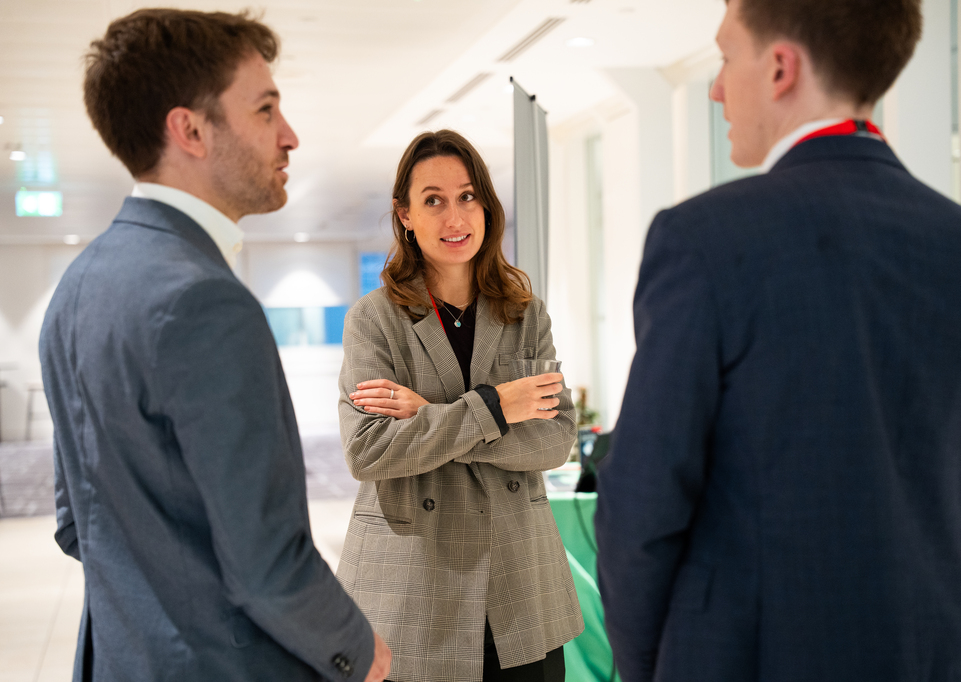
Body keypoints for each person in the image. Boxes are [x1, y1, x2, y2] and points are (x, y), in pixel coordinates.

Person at [594, 0, 961, 680]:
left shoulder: (704, 241)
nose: (715, 88)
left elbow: (641, 511)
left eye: (726, 57)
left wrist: (655, 667)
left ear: (780, 68)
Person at [39, 9, 389, 682]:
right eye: (265, 110)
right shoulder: (204, 300)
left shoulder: (78, 287)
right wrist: (359, 649)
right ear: (191, 131)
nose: (289, 136)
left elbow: (77, 524)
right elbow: (266, 566)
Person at [335, 129, 584, 682]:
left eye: (468, 196)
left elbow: (554, 440)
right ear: (405, 215)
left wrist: (430, 416)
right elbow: (369, 451)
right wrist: (496, 407)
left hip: (521, 589)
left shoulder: (526, 314)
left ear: (487, 206)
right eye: (434, 200)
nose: (455, 217)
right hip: (413, 587)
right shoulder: (374, 320)